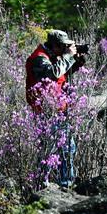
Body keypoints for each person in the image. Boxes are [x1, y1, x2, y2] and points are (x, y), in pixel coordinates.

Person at [25, 29, 86, 187]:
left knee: (59, 149)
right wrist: (68, 57)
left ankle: (55, 185)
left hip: (56, 111)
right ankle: (54, 185)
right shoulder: (39, 58)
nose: (66, 49)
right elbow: (51, 74)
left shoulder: (52, 57)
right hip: (47, 112)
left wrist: (76, 63)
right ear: (55, 46)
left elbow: (59, 77)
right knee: (54, 150)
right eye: (63, 46)